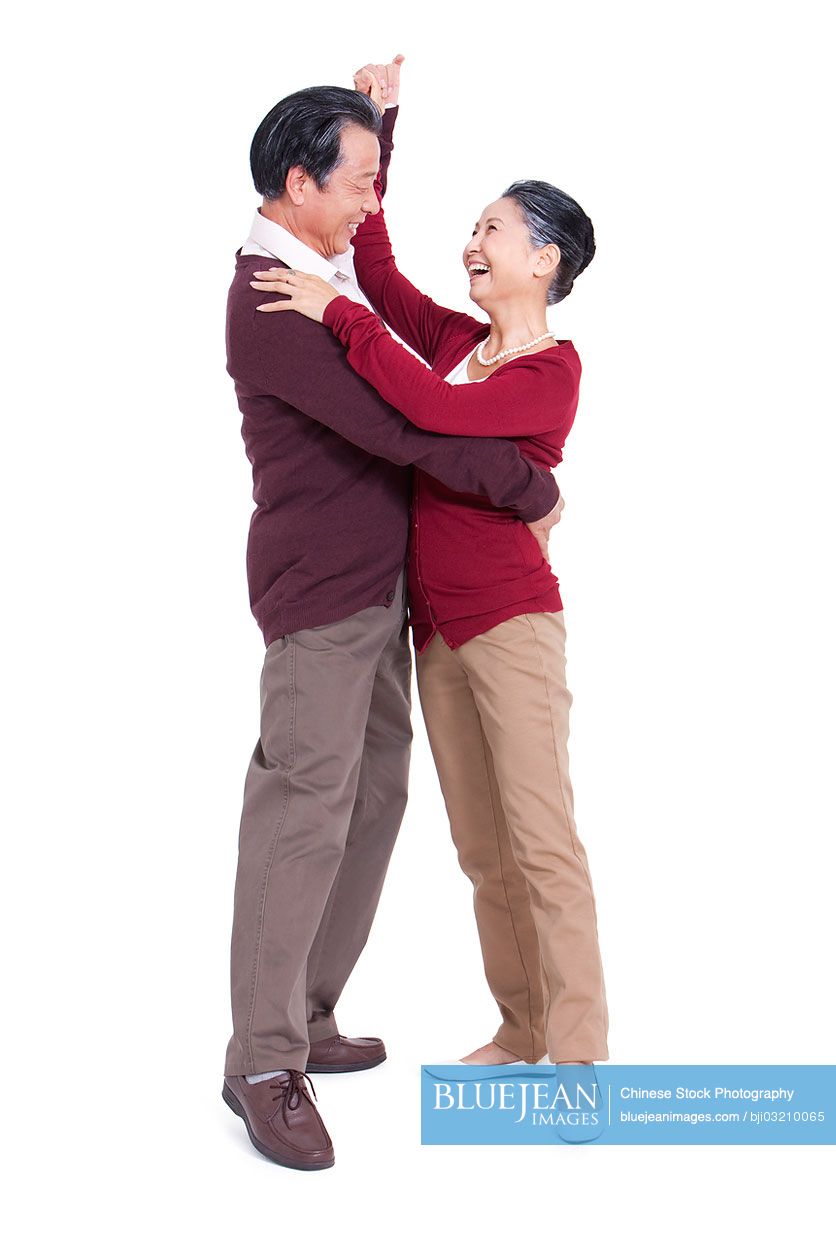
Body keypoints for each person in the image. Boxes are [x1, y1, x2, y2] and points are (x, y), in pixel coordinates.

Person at [221, 75, 563, 1171]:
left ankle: (307, 1015)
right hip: (321, 592)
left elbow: (371, 271)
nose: (372, 200)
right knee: (302, 808)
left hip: (380, 589)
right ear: (295, 182)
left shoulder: (318, 269)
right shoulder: (272, 292)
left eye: (377, 178)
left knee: (372, 797)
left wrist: (384, 137)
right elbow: (404, 426)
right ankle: (261, 1062)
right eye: (359, 181)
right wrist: (528, 488)